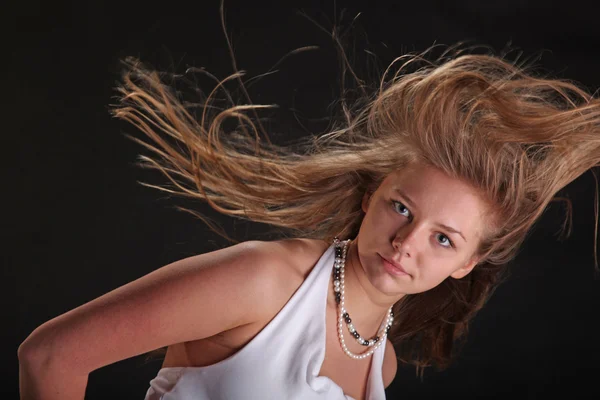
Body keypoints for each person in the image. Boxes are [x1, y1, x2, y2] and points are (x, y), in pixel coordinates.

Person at [17, 37, 600, 400]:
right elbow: (50, 357)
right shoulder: (264, 281)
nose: (405, 243)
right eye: (402, 207)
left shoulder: (382, 363)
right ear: (372, 196)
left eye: (443, 239)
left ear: (465, 264)